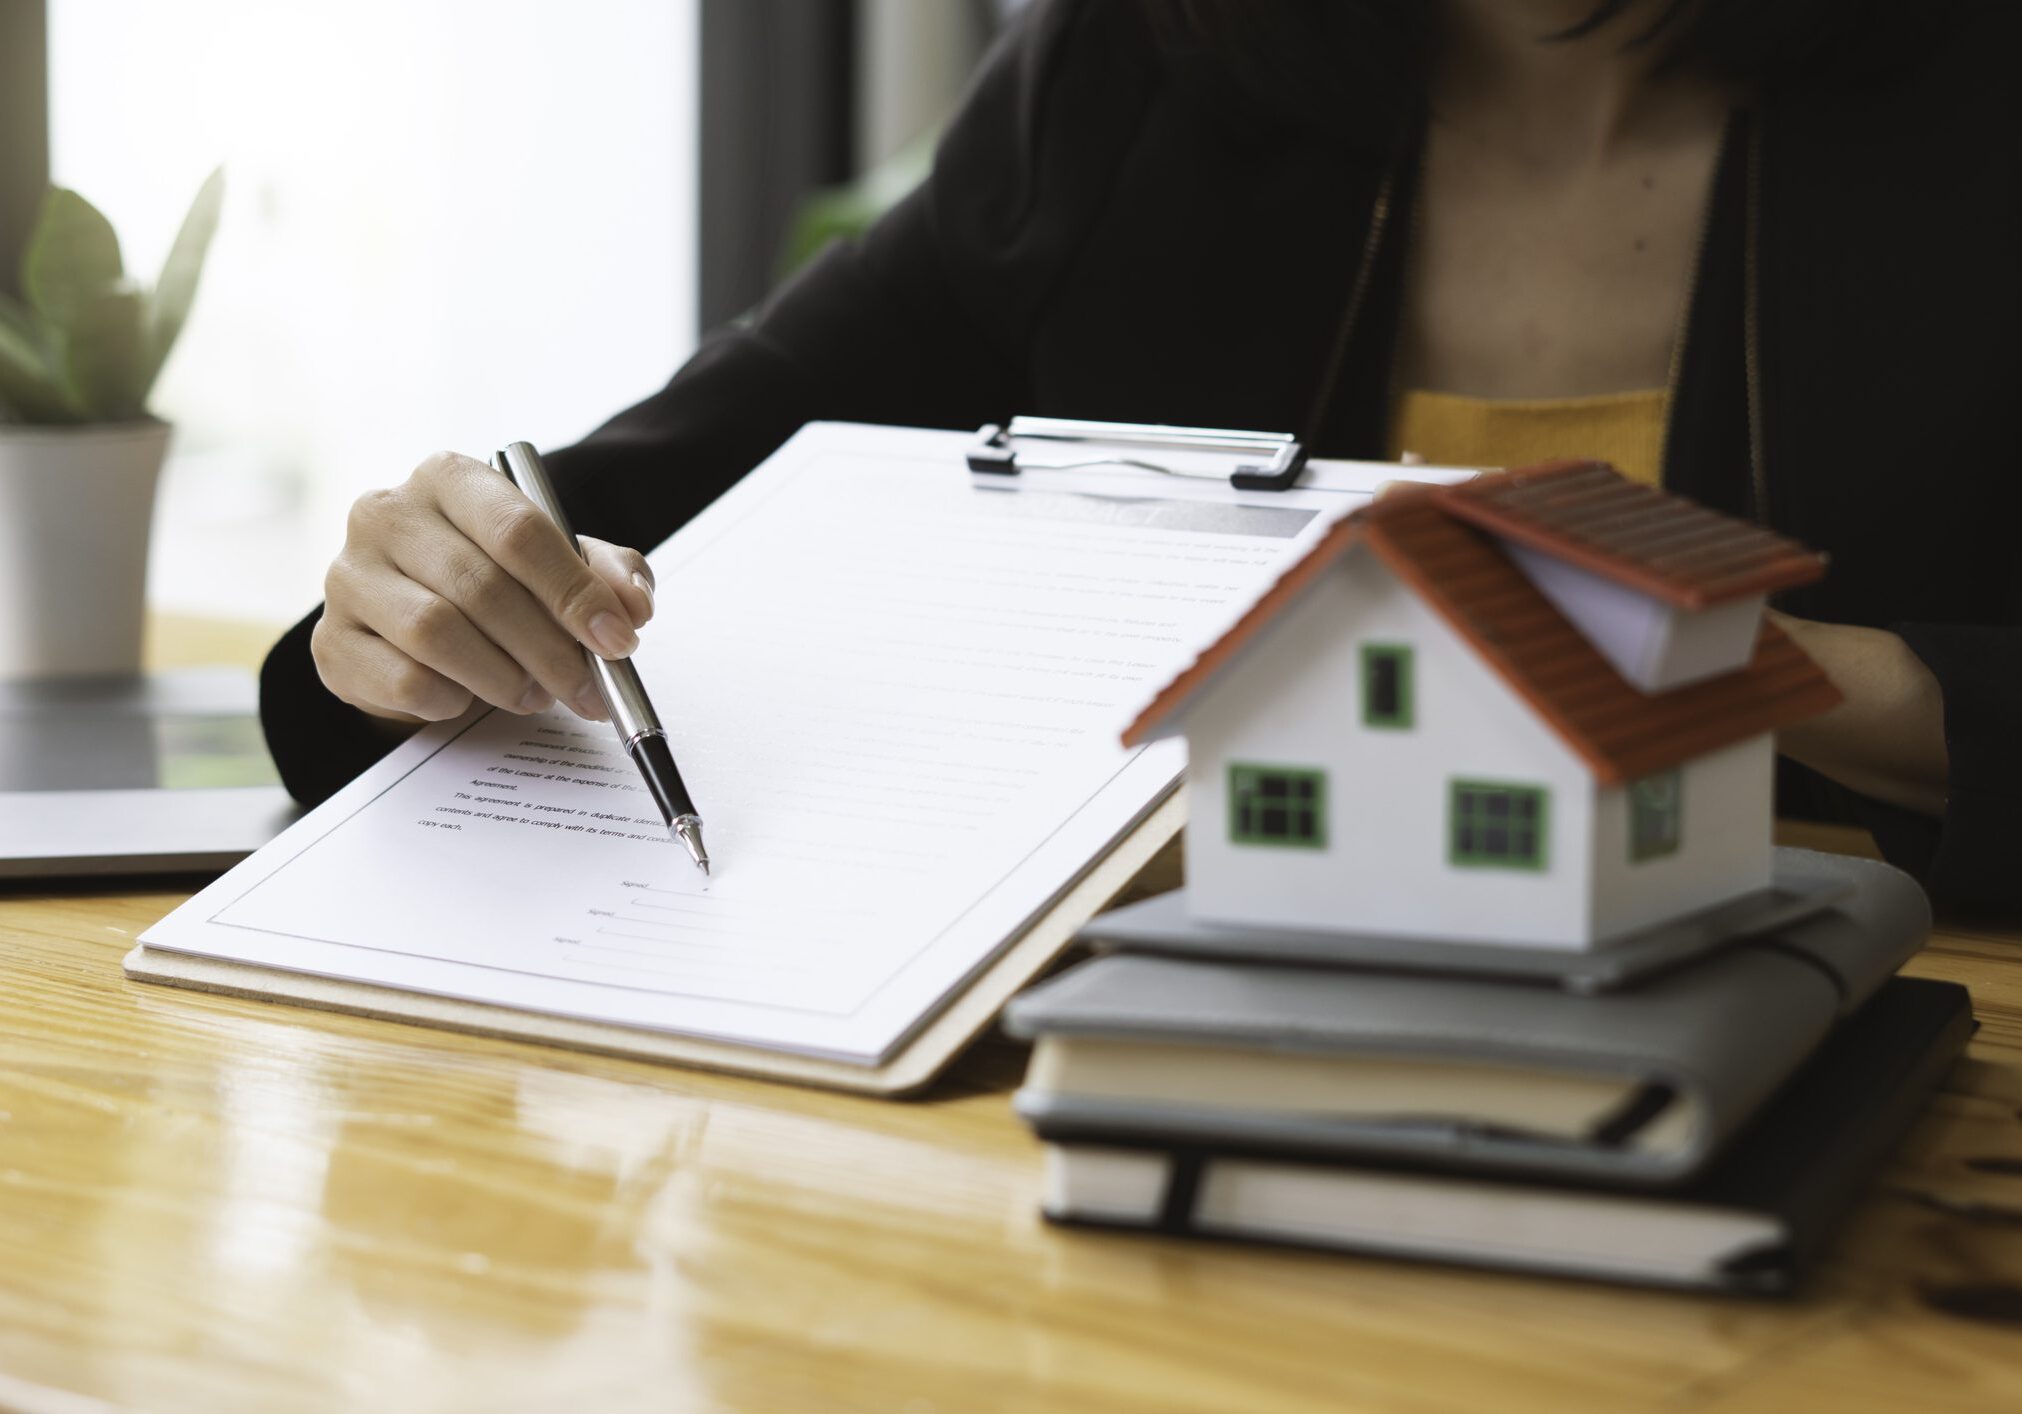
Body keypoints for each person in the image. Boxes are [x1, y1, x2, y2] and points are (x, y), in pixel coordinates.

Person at [262, 0, 2021, 914]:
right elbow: (632, 507)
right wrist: (412, 614)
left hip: (1853, 1088)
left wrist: (1747, 669)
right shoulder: (1141, 75)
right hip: (1181, 1071)